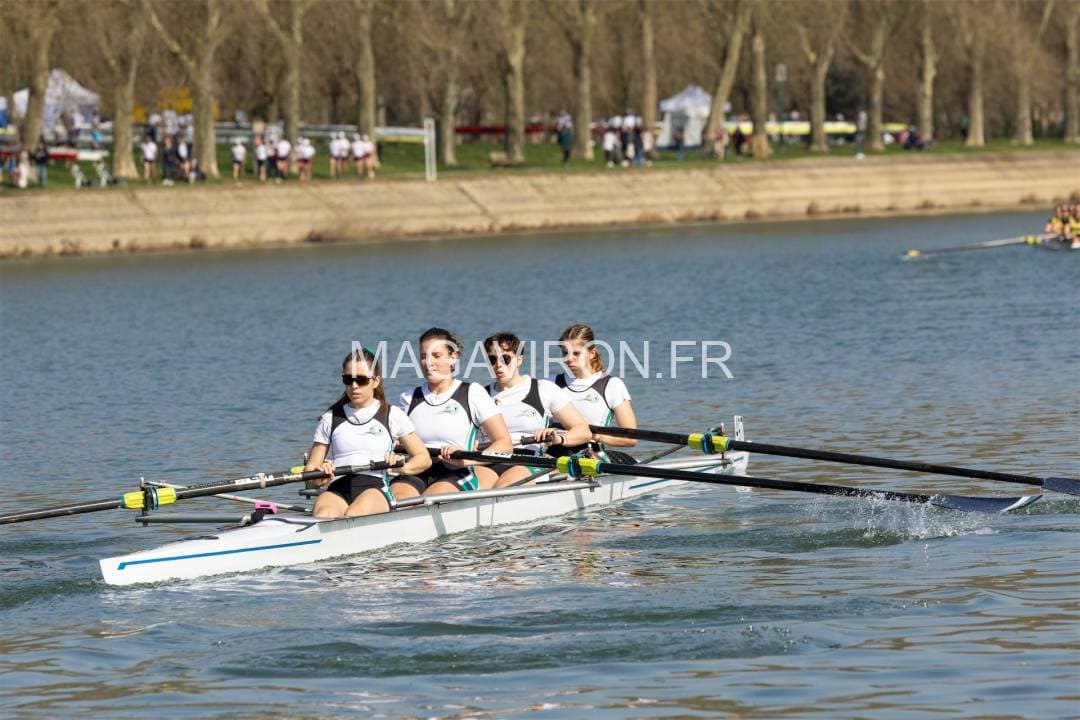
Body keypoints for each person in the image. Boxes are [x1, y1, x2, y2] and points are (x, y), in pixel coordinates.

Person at [305, 347, 431, 518]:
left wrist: (400, 468)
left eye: (362, 380)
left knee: (355, 513)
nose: (354, 386)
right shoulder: (331, 418)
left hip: (375, 488)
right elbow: (311, 471)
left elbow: (423, 458)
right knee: (323, 514)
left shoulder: (392, 415)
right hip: (338, 487)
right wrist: (319, 478)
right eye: (348, 380)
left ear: (375, 381)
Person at [394, 327, 512, 498]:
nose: (428, 362)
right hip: (416, 471)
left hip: (457, 472)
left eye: (436, 356)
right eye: (423, 356)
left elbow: (504, 444)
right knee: (397, 498)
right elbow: (391, 443)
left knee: (430, 499)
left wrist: (469, 460)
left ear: (453, 357)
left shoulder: (472, 393)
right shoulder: (408, 398)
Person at [483, 332, 592, 487]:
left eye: (505, 359)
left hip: (530, 459)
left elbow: (583, 430)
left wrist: (559, 439)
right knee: (473, 489)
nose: (498, 365)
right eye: (493, 360)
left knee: (503, 486)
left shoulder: (544, 389)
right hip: (488, 459)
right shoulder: (480, 395)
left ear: (519, 359)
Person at [551, 323, 638, 463]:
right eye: (565, 353)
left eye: (576, 353)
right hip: (552, 451)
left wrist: (596, 436)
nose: (569, 359)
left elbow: (631, 439)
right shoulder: (551, 383)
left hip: (590, 453)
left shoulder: (611, 385)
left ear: (592, 353)